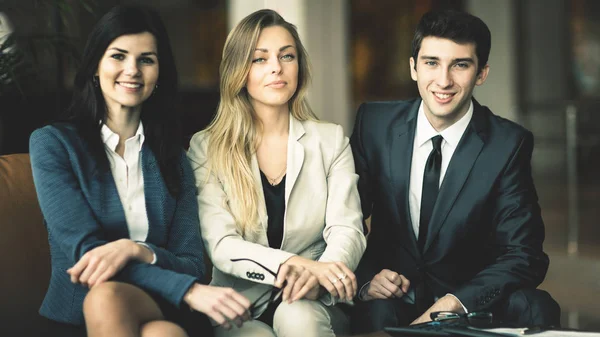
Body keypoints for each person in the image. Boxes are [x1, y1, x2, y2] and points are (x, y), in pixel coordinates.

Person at [29, 5, 250, 337]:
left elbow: (190, 261)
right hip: (80, 314)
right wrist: (188, 290)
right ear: (95, 67)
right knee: (153, 328)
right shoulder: (53, 145)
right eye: (118, 56)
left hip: (160, 301)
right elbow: (87, 257)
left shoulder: (174, 158)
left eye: (146, 59)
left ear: (159, 73)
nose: (132, 70)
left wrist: (135, 249)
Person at [349, 9, 561, 333]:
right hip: (393, 297)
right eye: (431, 62)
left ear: (481, 73)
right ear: (413, 67)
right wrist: (365, 280)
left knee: (536, 307)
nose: (444, 80)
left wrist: (454, 303)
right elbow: (342, 219)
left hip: (465, 300)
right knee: (375, 317)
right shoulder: (374, 125)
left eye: (460, 64)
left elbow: (525, 254)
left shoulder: (507, 144)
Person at [187, 9, 366, 337]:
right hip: (237, 304)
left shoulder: (330, 140)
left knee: (300, 320)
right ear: (238, 70)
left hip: (315, 299)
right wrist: (294, 266)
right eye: (259, 59)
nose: (276, 68)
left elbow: (347, 230)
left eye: (287, 56)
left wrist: (322, 276)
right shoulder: (206, 147)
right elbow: (222, 244)